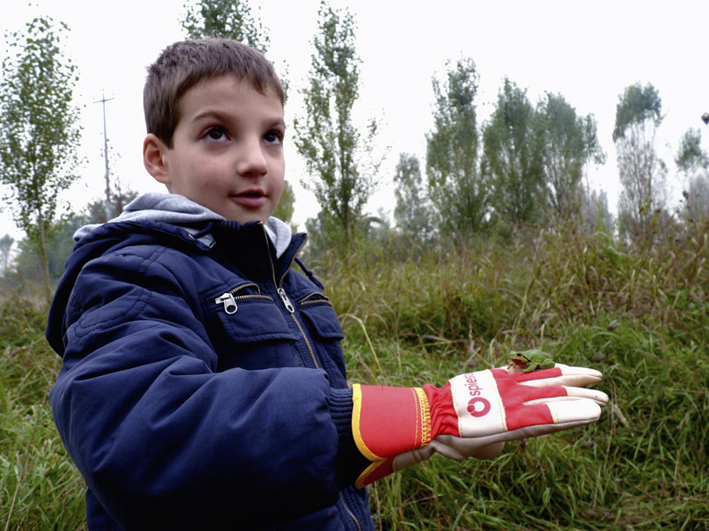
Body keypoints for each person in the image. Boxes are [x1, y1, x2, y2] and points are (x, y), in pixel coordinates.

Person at [47, 39, 608, 531]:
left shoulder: (285, 271)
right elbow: (145, 440)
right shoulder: (131, 273)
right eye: (217, 134)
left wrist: (429, 435)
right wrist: (423, 410)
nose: (255, 161)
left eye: (272, 136)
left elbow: (304, 452)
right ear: (158, 157)